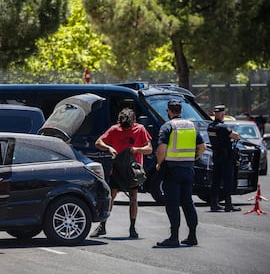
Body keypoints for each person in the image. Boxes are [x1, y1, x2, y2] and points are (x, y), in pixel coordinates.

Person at [90, 108, 152, 238]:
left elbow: (149, 149)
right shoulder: (114, 129)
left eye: (128, 127)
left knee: (133, 198)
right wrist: (109, 147)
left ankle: (132, 227)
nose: (125, 129)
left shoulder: (140, 129)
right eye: (123, 127)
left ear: (134, 121)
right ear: (119, 122)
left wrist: (136, 149)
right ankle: (103, 225)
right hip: (118, 168)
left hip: (133, 170)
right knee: (111, 196)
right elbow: (98, 142)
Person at [155, 100, 206, 247]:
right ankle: (192, 236)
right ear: (181, 111)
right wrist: (194, 158)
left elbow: (161, 149)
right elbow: (202, 147)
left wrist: (159, 163)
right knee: (188, 202)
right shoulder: (192, 126)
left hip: (172, 170)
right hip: (188, 170)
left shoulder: (168, 126)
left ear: (169, 111)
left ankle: (174, 237)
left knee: (172, 204)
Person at [207, 105, 241, 212]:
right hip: (226, 157)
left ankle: (214, 204)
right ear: (222, 114)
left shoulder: (210, 127)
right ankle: (228, 204)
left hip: (216, 156)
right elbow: (236, 136)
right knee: (227, 180)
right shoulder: (223, 127)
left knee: (216, 180)